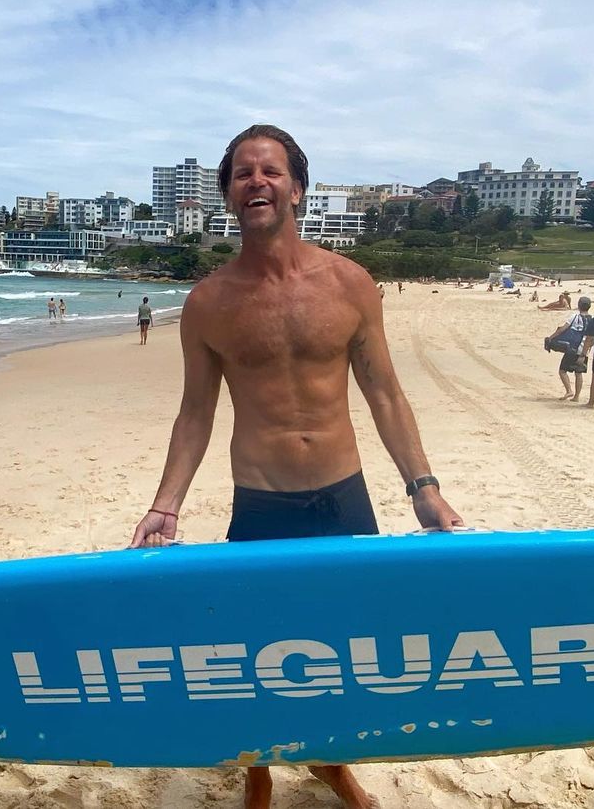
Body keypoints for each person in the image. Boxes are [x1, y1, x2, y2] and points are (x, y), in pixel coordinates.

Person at [129, 124, 463, 809]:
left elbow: (385, 393)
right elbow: (195, 413)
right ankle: (259, 774)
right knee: (256, 650)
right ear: (229, 195)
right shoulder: (208, 304)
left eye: (270, 170)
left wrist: (424, 488)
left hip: (342, 498)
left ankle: (331, 764)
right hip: (261, 502)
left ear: (298, 188)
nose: (256, 181)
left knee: (346, 648)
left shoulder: (349, 284)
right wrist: (166, 505)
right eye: (242, 173)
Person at [545, 296, 592, 401]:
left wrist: (551, 338)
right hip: (583, 350)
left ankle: (569, 390)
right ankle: (577, 396)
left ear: (579, 306)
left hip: (572, 348)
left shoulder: (575, 317)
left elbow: (562, 329)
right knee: (578, 373)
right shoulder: (592, 320)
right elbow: (592, 338)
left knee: (562, 371)